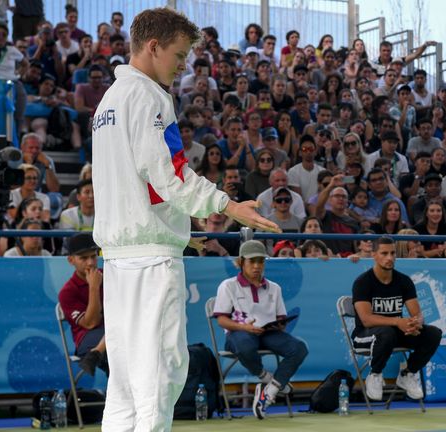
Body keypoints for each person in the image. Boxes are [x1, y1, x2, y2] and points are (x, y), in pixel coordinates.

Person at [91, 9, 280, 430]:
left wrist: (178, 230)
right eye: (178, 55)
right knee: (160, 373)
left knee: (124, 382)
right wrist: (226, 205)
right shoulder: (149, 97)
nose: (182, 65)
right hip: (151, 263)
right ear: (153, 46)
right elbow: (169, 175)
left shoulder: (109, 101)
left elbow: (134, 185)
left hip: (121, 259)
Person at [213, 240, 308, 420]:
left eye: (261, 261)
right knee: (244, 346)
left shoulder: (275, 288)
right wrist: (244, 327)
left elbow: (281, 318)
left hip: (269, 333)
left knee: (299, 348)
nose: (257, 266)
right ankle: (265, 377)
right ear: (241, 262)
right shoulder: (228, 285)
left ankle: (270, 390)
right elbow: (222, 320)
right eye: (252, 261)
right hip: (238, 333)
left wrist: (280, 325)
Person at [351, 236, 443, 401]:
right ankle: (375, 374)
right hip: (364, 335)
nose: (390, 258)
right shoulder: (363, 282)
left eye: (392, 253)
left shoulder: (404, 281)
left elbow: (417, 314)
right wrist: (397, 321)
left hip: (393, 334)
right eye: (384, 253)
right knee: (387, 333)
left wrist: (415, 323)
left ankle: (408, 374)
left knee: (433, 333)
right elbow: (366, 319)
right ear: (374, 255)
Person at [58, 233, 109, 376]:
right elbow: (91, 323)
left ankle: (97, 352)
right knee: (121, 347)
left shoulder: (110, 275)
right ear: (71, 260)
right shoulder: (67, 292)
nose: (91, 263)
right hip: (87, 338)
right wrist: (94, 287)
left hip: (115, 330)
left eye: (93, 256)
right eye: (84, 258)